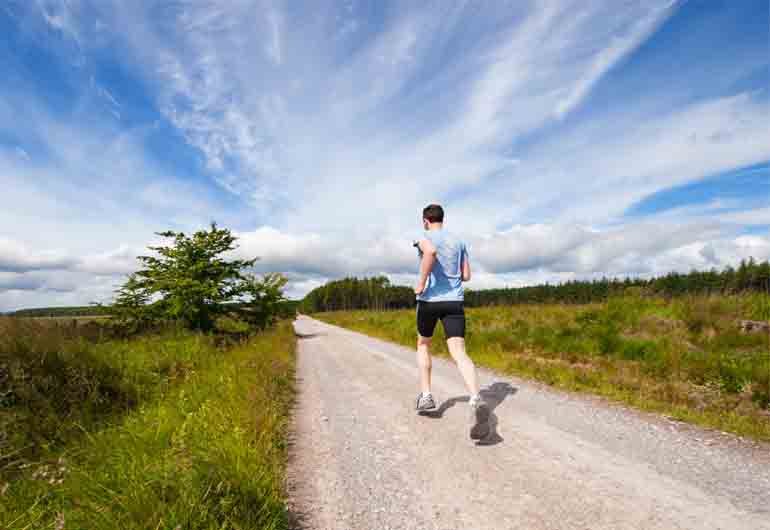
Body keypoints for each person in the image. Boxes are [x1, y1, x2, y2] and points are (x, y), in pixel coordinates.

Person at [413, 203, 490, 440]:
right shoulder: (459, 242)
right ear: (442, 219)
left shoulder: (423, 237)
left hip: (429, 301)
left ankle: (426, 396)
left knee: (424, 344)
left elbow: (430, 253)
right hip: (454, 302)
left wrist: (421, 282)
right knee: (458, 351)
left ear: (426, 221)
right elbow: (466, 275)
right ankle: (476, 398)